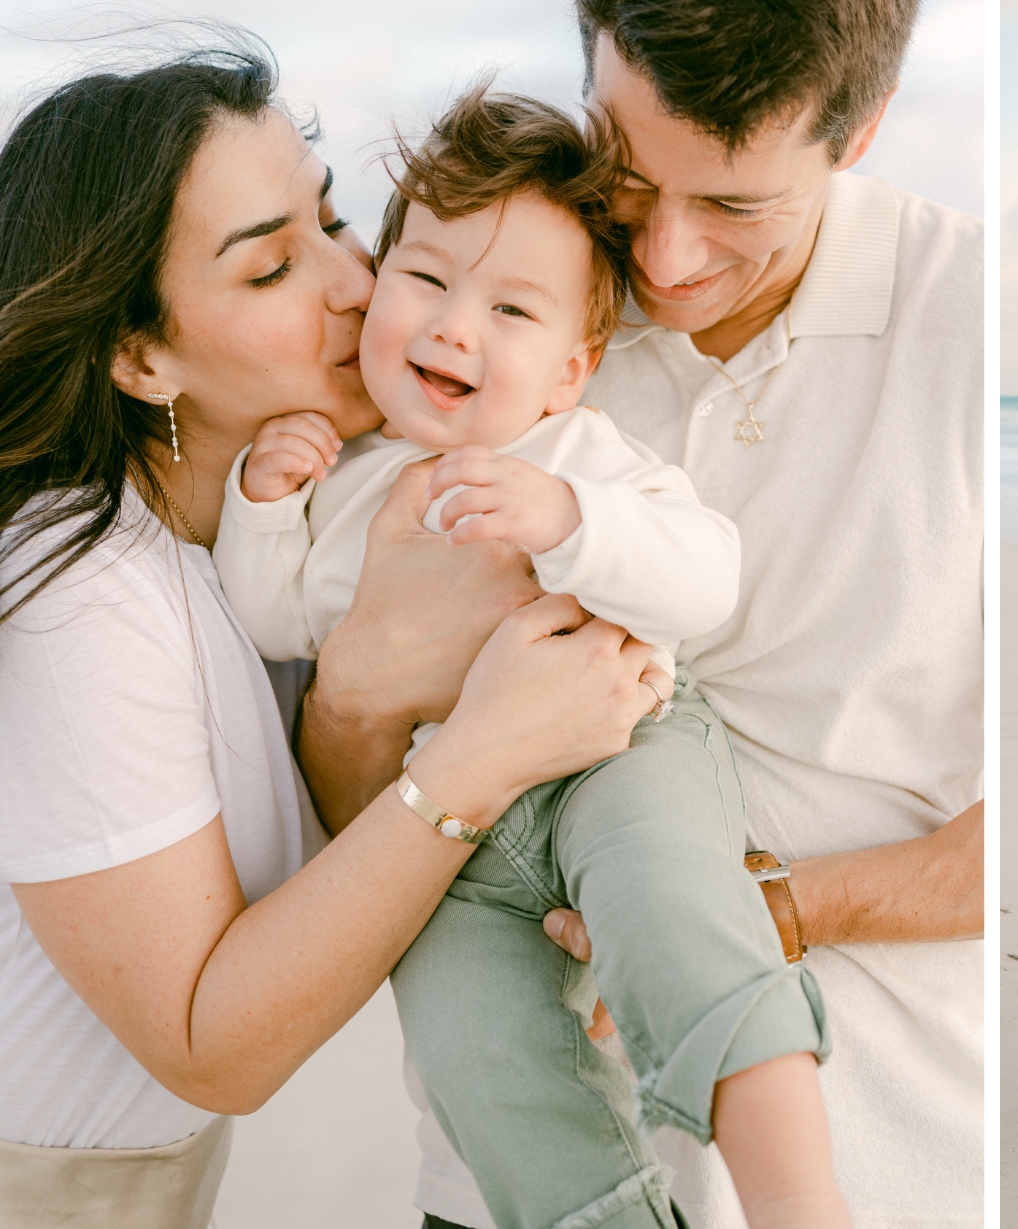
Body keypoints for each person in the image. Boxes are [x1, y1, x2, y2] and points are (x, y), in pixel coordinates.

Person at [301, 0, 985, 1229]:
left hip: (888, 1161)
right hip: (502, 1188)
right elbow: (338, 804)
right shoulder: (487, 310)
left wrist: (755, 913)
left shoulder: (975, 322)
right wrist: (360, 698)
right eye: (630, 171)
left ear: (862, 127)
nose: (662, 259)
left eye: (736, 205)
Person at [0, 47, 652, 1229]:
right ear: (140, 356)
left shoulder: (273, 544)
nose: (358, 283)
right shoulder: (79, 593)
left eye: (336, 220)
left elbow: (338, 851)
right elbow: (213, 1046)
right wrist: (484, 753)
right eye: (272, 266)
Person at [211, 88, 842, 1229]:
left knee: (683, 921)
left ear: (570, 367)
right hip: (451, 838)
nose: (457, 326)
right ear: (380, 281)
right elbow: (276, 624)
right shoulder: (349, 482)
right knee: (477, 1058)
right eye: (428, 279)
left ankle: (801, 1205)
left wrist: (567, 519)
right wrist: (263, 503)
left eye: (512, 309)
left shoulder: (577, 452)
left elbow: (705, 575)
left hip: (619, 749)